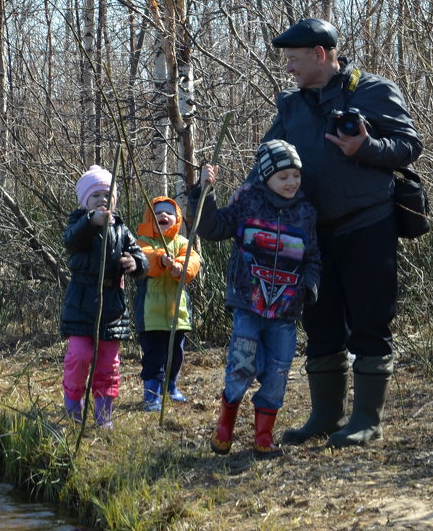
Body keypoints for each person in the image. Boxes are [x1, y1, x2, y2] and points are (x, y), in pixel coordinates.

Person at [262, 18, 422, 447]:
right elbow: (267, 160)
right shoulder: (291, 107)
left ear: (319, 55)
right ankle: (326, 416)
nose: (289, 69)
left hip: (367, 224)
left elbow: (409, 144)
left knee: (371, 322)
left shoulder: (373, 90)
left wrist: (365, 148)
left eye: (294, 60)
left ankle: (367, 420)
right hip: (312, 235)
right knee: (321, 324)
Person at [188, 140, 321, 456]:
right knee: (242, 366)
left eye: (295, 175)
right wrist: (203, 193)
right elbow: (213, 227)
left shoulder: (305, 212)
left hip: (287, 308)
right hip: (249, 303)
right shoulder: (248, 202)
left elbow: (312, 256)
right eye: (283, 176)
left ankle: (263, 436)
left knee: (278, 371)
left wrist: (311, 285)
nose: (291, 182)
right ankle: (225, 426)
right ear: (265, 177)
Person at [61, 165, 149, 429]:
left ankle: (103, 415)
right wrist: (91, 222)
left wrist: (135, 263)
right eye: (95, 195)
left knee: (108, 363)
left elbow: (141, 257)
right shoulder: (79, 223)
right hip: (81, 302)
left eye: (107, 194)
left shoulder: (121, 229)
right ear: (85, 201)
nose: (102, 200)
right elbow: (71, 241)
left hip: (112, 306)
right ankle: (73, 404)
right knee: (79, 356)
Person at [133, 196, 202, 412]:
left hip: (176, 312)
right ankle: (152, 393)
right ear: (150, 218)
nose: (164, 215)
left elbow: (193, 260)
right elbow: (144, 260)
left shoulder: (182, 243)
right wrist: (161, 259)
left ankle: (170, 387)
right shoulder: (141, 241)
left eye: (169, 213)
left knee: (176, 354)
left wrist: (180, 267)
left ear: (177, 219)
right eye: (158, 213)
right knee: (154, 356)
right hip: (150, 313)